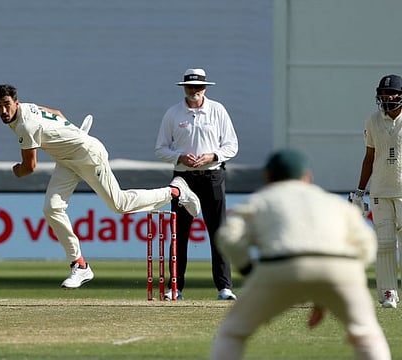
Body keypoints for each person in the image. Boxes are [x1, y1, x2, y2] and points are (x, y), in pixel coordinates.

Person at [0, 84, 201, 289]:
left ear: (16, 102)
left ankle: (176, 191)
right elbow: (56, 112)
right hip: (67, 160)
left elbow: (29, 167)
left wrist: (16, 170)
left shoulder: (25, 125)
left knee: (120, 204)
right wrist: (71, 133)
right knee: (52, 208)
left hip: (89, 156)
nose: (3, 110)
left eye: (7, 104)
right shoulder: (29, 107)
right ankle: (80, 265)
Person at [211, 148, 391, 360]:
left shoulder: (260, 200)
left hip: (281, 267)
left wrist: (247, 269)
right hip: (341, 268)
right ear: (307, 177)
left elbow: (228, 236)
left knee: (232, 333)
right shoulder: (332, 202)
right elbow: (367, 243)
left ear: (268, 177)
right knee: (367, 335)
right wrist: (343, 278)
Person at [154, 68, 238, 300]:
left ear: (205, 88)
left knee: (219, 233)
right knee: (178, 234)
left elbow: (231, 145)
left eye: (199, 87)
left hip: (212, 176)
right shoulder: (173, 113)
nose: (195, 91)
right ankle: (175, 288)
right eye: (191, 87)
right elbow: (160, 148)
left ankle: (224, 288)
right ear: (184, 87)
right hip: (183, 180)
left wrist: (213, 156)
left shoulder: (217, 110)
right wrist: (180, 157)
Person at [352, 74, 402, 309]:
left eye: (390, 94)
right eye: (382, 94)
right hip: (381, 191)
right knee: (384, 243)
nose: (386, 98)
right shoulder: (372, 120)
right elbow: (369, 157)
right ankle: (388, 293)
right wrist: (360, 191)